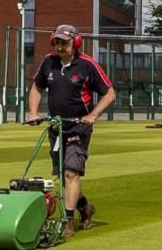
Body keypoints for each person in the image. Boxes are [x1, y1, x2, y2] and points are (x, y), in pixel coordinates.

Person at [25, 24, 115, 236]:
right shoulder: (49, 62)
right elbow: (37, 87)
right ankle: (84, 207)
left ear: (75, 43)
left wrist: (92, 116)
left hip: (78, 127)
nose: (59, 46)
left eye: (64, 42)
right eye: (56, 42)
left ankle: (67, 221)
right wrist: (33, 112)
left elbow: (110, 93)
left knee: (71, 172)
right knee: (65, 176)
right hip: (56, 127)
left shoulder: (87, 65)